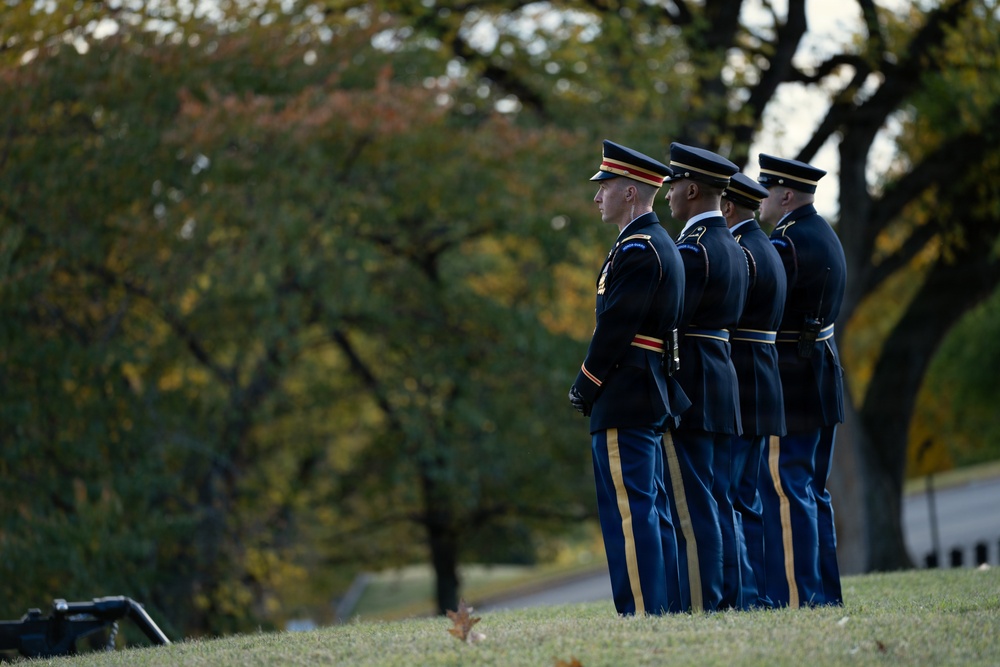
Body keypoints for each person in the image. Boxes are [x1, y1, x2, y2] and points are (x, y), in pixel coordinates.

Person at [569, 140, 691, 615]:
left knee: (631, 512)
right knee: (649, 507)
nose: (597, 197)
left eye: (605, 187)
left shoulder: (640, 248)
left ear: (630, 193)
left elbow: (617, 327)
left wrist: (586, 384)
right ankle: (666, 608)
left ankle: (644, 612)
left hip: (625, 389)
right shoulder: (652, 242)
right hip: (642, 388)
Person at [755, 153, 847, 608]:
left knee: (787, 488)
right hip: (821, 374)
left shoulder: (786, 243)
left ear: (785, 194)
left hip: (791, 378)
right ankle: (823, 594)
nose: (759, 198)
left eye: (765, 189)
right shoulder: (823, 232)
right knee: (811, 490)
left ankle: (796, 596)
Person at [661, 142, 747, 612]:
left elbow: (670, 316)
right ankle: (730, 598)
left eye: (673, 184)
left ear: (691, 189)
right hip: (721, 379)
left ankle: (702, 602)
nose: (669, 194)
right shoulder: (732, 244)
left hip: (692, 381)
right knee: (718, 500)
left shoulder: (693, 250)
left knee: (694, 506)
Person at [721, 172, 787, 610]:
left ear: (727, 207)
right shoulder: (767, 246)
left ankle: (747, 594)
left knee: (735, 494)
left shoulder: (742, 252)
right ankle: (761, 591)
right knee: (750, 497)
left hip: (743, 383)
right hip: (764, 380)